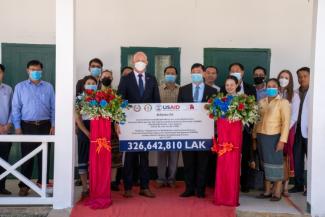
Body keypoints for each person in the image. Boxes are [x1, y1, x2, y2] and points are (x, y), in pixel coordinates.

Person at [118, 51, 160, 198]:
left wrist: (155, 123)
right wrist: (120, 122)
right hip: (130, 126)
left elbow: (156, 103)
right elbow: (119, 101)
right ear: (133, 62)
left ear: (147, 62)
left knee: (145, 157)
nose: (140, 62)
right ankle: (128, 188)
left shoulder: (152, 79)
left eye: (143, 60)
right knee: (129, 157)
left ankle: (144, 186)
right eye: (137, 60)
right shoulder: (125, 79)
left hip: (146, 126)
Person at [12, 60, 55, 197]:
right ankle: (24, 185)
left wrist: (54, 125)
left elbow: (54, 107)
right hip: (27, 126)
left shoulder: (48, 87)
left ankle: (43, 184)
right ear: (27, 70)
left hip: (45, 125)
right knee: (27, 157)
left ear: (42, 71)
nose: (35, 72)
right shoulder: (20, 87)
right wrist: (18, 127)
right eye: (32, 69)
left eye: (38, 70)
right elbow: (16, 108)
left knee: (45, 156)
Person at [178, 63, 218, 198]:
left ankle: (200, 190)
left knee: (202, 163)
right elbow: (179, 110)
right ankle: (189, 188)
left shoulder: (212, 91)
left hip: (204, 133)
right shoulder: (183, 90)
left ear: (204, 74)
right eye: (193, 71)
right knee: (188, 162)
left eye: (199, 71)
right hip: (187, 132)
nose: (196, 74)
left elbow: (215, 113)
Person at [221, 62, 256, 193]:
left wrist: (247, 125)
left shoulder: (249, 89)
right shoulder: (222, 92)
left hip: (244, 131)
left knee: (245, 157)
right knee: (228, 157)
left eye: (237, 70)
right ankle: (229, 183)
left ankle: (244, 183)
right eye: (232, 70)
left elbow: (253, 110)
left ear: (243, 72)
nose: (229, 87)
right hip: (227, 133)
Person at [254, 78, 290, 201]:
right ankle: (267, 191)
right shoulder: (261, 102)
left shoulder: (283, 102)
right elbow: (256, 120)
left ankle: (277, 192)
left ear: (278, 88)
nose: (271, 88)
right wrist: (254, 136)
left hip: (274, 137)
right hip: (261, 136)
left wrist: (282, 140)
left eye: (273, 86)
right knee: (265, 164)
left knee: (276, 164)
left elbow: (286, 123)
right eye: (268, 86)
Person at [214, 75, 242, 206]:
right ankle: (221, 197)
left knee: (233, 165)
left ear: (237, 85)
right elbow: (215, 117)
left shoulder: (243, 101)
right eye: (227, 85)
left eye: (232, 84)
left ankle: (231, 198)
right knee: (222, 165)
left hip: (234, 139)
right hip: (223, 138)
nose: (229, 87)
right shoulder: (220, 100)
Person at [98, 70, 123, 192]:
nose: (107, 78)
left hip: (113, 128)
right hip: (99, 129)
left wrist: (117, 122)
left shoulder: (116, 94)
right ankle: (103, 179)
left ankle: (113, 181)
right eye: (104, 76)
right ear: (100, 78)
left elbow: (119, 111)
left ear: (112, 78)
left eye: (109, 76)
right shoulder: (95, 94)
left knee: (115, 156)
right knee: (101, 155)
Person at [277, 70, 300, 196]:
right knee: (276, 155)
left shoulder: (294, 95)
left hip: (288, 129)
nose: (283, 79)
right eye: (281, 77)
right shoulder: (274, 92)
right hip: (274, 128)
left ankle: (285, 186)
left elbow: (294, 116)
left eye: (286, 77)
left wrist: (285, 128)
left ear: (290, 80)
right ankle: (276, 185)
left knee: (287, 155)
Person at [156, 66, 180, 188]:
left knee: (174, 154)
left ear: (176, 75)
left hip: (177, 128)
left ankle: (171, 179)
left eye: (173, 73)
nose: (170, 75)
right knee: (161, 153)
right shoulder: (158, 90)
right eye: (168, 73)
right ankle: (160, 179)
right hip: (161, 127)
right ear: (164, 75)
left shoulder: (182, 90)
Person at [75, 75, 98, 198]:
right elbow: (77, 118)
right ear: (84, 86)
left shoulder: (101, 98)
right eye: (88, 83)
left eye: (93, 83)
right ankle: (85, 188)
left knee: (97, 159)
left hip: (98, 129)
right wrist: (87, 132)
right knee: (83, 159)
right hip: (84, 129)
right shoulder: (79, 99)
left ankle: (95, 187)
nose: (91, 85)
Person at [289, 67, 310, 196]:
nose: (302, 79)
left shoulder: (316, 91)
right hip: (296, 131)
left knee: (311, 160)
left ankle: (310, 187)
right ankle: (298, 185)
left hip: (310, 132)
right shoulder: (295, 92)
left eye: (305, 76)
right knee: (297, 159)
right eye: (300, 76)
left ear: (310, 77)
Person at [204, 66, 219, 187]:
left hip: (214, 129)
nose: (210, 75)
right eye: (208, 73)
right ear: (204, 74)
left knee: (213, 157)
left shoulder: (219, 91)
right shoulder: (198, 88)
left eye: (213, 73)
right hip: (198, 129)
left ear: (216, 76)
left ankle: (212, 182)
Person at [0, 64, 13, 195]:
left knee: (4, 160)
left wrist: (8, 124)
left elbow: (12, 108)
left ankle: (1, 186)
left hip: (6, 131)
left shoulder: (8, 89)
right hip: (1, 129)